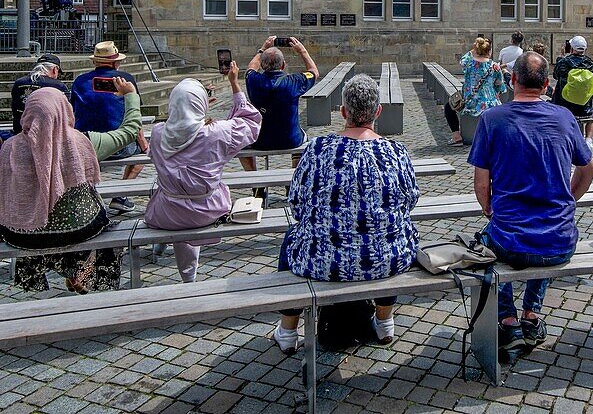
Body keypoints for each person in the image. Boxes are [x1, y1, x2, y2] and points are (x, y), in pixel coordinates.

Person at [273, 74, 419, 353]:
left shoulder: (317, 149)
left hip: (324, 261)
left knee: (292, 236)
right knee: (392, 233)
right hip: (386, 260)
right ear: (378, 111)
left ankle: (288, 330)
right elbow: (409, 200)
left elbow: (297, 203)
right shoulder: (397, 151)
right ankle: (385, 322)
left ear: (343, 112)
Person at [469, 51, 593, 352]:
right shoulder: (565, 117)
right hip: (560, 242)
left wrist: (490, 209)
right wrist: (569, 200)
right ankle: (531, 314)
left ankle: (508, 320)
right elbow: (589, 168)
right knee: (544, 231)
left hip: (510, 242)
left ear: (512, 80)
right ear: (548, 84)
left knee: (485, 244)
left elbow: (481, 183)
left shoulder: (492, 119)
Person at [0, 81, 140, 292]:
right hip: (79, 229)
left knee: (49, 229)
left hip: (23, 234)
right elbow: (129, 131)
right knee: (94, 222)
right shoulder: (83, 142)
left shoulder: (9, 147)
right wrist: (131, 96)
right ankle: (80, 272)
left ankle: (70, 272)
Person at [144, 63, 261, 282]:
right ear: (200, 105)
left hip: (168, 212)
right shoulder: (215, 133)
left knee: (174, 202)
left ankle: (183, 270)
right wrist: (235, 85)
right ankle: (188, 274)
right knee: (188, 208)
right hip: (208, 210)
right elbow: (251, 123)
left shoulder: (158, 133)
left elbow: (158, 153)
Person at [71, 41, 146, 213]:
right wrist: (144, 145)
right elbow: (134, 115)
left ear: (95, 61)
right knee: (140, 158)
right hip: (118, 145)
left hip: (86, 144)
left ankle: (88, 194)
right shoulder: (125, 80)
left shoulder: (80, 81)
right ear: (115, 62)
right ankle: (120, 197)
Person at [239, 36, 318, 172]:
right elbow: (314, 73)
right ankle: (292, 176)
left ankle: (253, 177)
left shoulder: (253, 80)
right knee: (304, 139)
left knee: (241, 141)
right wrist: (303, 51)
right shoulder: (294, 82)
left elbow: (251, 68)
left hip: (260, 140)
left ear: (263, 66)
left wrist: (263, 48)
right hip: (290, 139)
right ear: (283, 65)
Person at [444, 36, 507, 144]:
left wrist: (474, 49)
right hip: (490, 103)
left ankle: (456, 136)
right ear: (489, 51)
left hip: (470, 102)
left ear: (477, 50)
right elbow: (500, 86)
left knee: (448, 108)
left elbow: (463, 60)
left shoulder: (469, 64)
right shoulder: (495, 66)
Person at [551, 36, 593, 149]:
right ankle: (588, 140)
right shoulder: (590, 64)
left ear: (571, 48)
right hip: (585, 108)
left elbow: (555, 75)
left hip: (564, 105)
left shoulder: (564, 62)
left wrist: (561, 57)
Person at [11, 52, 70, 134]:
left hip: (21, 130)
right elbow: (66, 112)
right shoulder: (58, 85)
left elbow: (15, 108)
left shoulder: (18, 83)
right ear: (55, 69)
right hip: (48, 132)